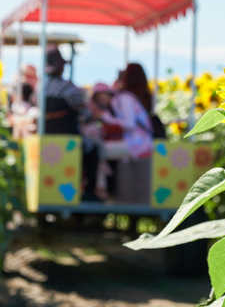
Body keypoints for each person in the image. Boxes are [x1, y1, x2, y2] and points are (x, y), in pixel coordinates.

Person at [43, 47, 100, 201]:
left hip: (46, 138)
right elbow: (84, 115)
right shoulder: (67, 88)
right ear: (61, 68)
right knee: (93, 149)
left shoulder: (41, 88)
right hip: (70, 139)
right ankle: (89, 191)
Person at [91, 63, 153, 204]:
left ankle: (102, 190)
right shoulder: (128, 98)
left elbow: (130, 124)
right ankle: (104, 188)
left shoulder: (123, 98)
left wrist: (107, 118)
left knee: (100, 151)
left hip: (139, 143)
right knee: (103, 151)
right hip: (138, 142)